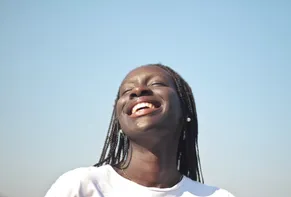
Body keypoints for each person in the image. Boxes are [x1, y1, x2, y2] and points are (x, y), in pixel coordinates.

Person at [45, 64, 235, 197]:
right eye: (127, 92)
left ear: (184, 109)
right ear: (119, 120)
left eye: (156, 84)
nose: (138, 91)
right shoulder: (82, 186)